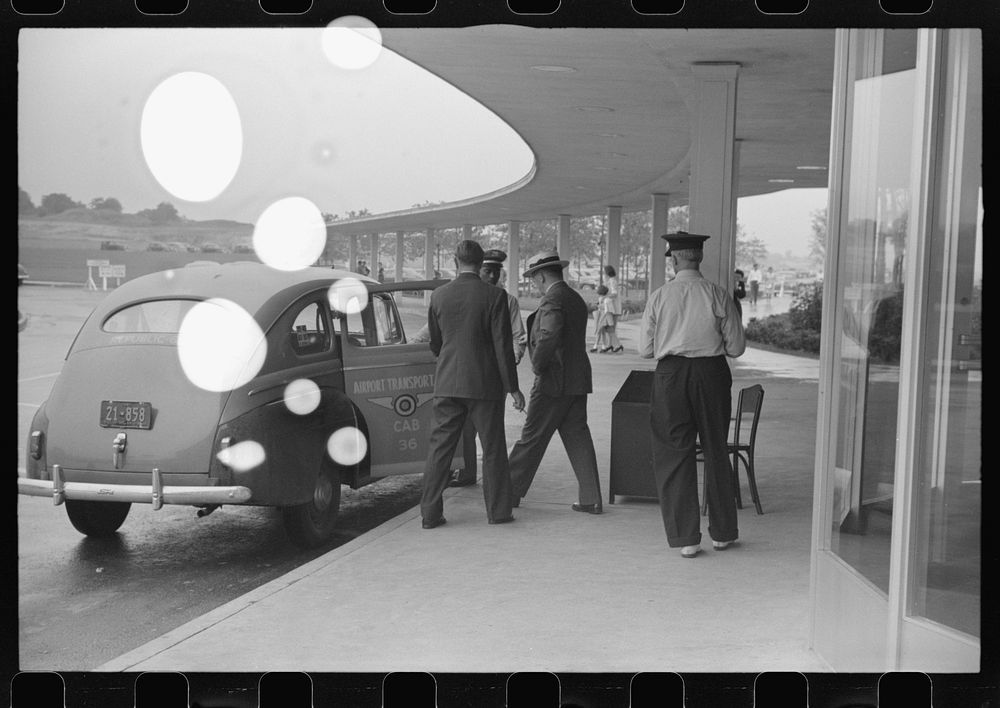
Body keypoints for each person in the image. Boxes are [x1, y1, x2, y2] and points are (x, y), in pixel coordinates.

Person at [639, 231, 746, 559]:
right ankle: (723, 533)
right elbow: (737, 347)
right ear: (699, 258)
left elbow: (645, 349)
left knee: (674, 453)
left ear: (673, 259)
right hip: (712, 373)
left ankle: (686, 538)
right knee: (715, 448)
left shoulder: (660, 296)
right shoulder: (717, 294)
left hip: (671, 375)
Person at [420, 240, 525, 528]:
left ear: (456, 261)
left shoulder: (439, 296)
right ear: (481, 264)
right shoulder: (494, 296)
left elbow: (436, 342)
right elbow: (503, 347)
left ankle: (430, 514)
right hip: (484, 385)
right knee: (492, 449)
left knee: (440, 450)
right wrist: (513, 387)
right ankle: (498, 512)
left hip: (447, 383)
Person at [508, 250, 604, 514]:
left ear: (540, 276)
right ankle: (591, 498)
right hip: (576, 379)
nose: (534, 285)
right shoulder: (573, 297)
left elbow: (549, 335)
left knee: (532, 438)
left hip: (553, 380)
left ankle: (507, 493)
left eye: (533, 279)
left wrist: (537, 365)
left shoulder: (552, 300)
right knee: (578, 437)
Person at [448, 248, 528, 488]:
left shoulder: (506, 299)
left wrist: (510, 363)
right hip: (464, 373)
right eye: (488, 270)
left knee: (490, 433)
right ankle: (467, 472)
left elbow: (518, 338)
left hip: (493, 378)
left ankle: (493, 483)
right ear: (478, 268)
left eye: (496, 272)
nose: (493, 277)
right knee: (465, 429)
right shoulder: (459, 295)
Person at [602, 264, 624, 353]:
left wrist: (605, 297)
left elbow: (614, 294)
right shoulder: (612, 281)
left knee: (610, 328)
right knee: (610, 328)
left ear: (607, 273)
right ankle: (610, 345)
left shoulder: (612, 281)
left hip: (613, 308)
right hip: (613, 308)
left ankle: (617, 345)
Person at [591, 284, 613, 353]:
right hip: (603, 316)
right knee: (602, 332)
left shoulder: (605, 299)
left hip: (602, 316)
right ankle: (603, 346)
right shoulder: (605, 298)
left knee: (598, 331)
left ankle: (596, 346)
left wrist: (598, 305)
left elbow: (604, 308)